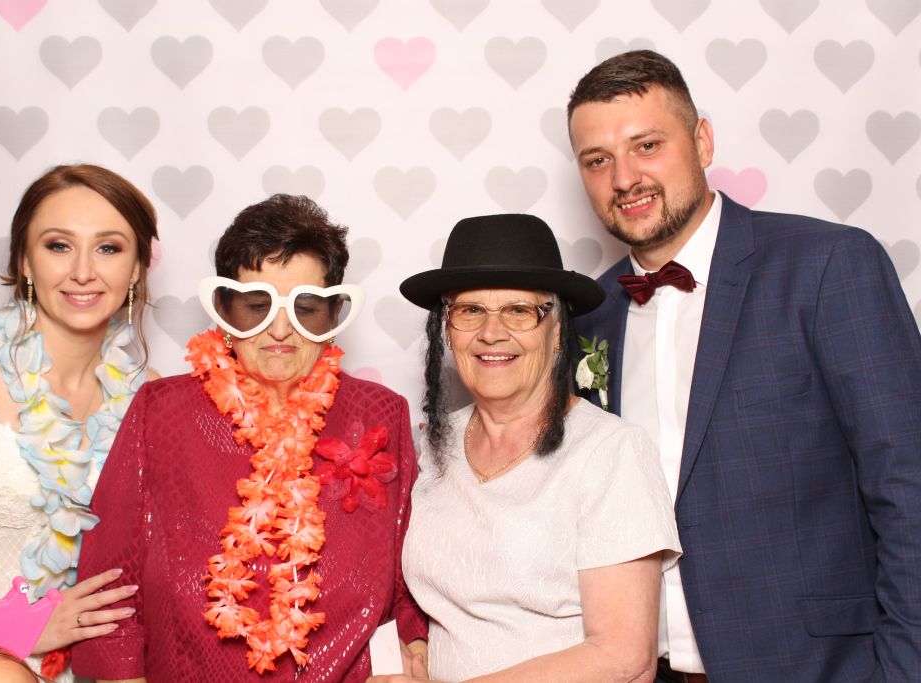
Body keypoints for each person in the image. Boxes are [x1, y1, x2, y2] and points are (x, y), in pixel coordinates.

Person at [567, 49, 921, 683]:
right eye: (598, 160)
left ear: (703, 141)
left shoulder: (827, 266)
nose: (624, 178)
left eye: (647, 145)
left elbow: (908, 485)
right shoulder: (587, 317)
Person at [72, 193, 427, 682]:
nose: (280, 329)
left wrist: (415, 652)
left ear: (333, 314)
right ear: (224, 308)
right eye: (257, 306)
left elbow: (412, 580)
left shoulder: (380, 413)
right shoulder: (162, 411)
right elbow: (110, 583)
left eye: (305, 308)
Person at [377, 214, 681, 683]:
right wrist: (411, 648)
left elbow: (623, 657)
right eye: (470, 311)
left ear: (556, 331)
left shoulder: (611, 452)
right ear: (448, 329)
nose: (491, 333)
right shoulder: (429, 448)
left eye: (519, 311)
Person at [0, 163, 159, 681]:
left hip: (104, 668)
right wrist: (15, 626)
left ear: (136, 269)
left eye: (108, 248)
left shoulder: (154, 400)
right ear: (24, 261)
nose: (83, 271)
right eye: (58, 245)